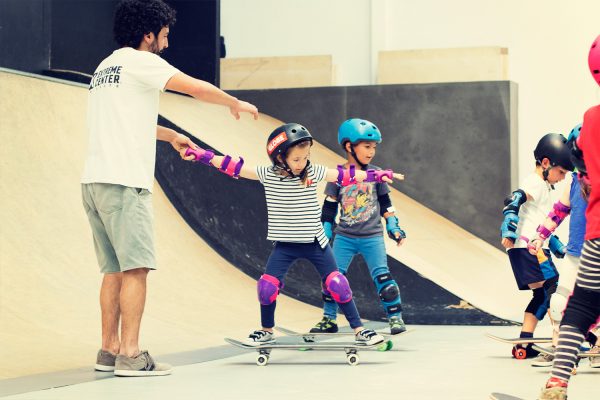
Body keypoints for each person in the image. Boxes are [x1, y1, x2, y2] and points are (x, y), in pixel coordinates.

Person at [81, 0, 258, 377]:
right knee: (136, 268)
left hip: (95, 180)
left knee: (113, 270)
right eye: (163, 34)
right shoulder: (143, 61)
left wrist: (172, 135)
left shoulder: (105, 67)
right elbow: (193, 87)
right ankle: (131, 354)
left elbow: (125, 122)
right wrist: (233, 101)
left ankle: (109, 350)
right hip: (125, 182)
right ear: (148, 34)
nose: (166, 41)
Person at [184, 123, 404, 346]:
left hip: (315, 243)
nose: (302, 164)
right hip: (285, 246)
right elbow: (235, 167)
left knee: (337, 283)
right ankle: (266, 330)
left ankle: (359, 330)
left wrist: (376, 176)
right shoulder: (267, 174)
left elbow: (343, 175)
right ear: (280, 158)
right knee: (267, 286)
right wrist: (204, 156)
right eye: (296, 159)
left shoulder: (312, 172)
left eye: (305, 157)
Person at [539, 34, 600, 400]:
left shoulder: (591, 120)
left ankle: (558, 381)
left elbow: (582, 166)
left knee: (582, 302)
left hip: (597, 235)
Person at [307, 118, 407, 335]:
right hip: (345, 237)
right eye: (366, 146)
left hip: (372, 236)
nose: (371, 152)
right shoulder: (337, 176)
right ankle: (329, 319)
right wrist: (324, 232)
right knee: (332, 278)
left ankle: (395, 319)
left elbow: (386, 204)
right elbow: (329, 208)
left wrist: (393, 225)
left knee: (383, 279)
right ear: (349, 146)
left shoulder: (377, 173)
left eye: (374, 147)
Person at [527, 124, 600, 369]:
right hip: (577, 252)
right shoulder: (574, 182)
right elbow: (559, 210)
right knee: (559, 302)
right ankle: (562, 347)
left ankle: (597, 344)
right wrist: (540, 235)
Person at [500, 133, 574, 358]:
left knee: (542, 296)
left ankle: (524, 343)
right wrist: (508, 228)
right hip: (530, 250)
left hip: (529, 248)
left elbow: (540, 222)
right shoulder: (535, 182)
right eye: (560, 172)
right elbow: (514, 200)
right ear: (545, 163)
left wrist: (557, 244)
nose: (562, 178)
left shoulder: (544, 186)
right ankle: (565, 339)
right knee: (555, 292)